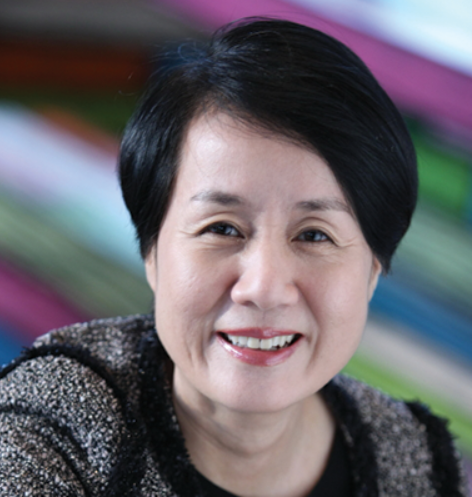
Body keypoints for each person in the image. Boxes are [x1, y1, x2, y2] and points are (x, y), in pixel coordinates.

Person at [0, 17, 467, 497]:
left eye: (314, 235)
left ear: (373, 269)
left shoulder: (417, 462)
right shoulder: (49, 432)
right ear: (152, 251)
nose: (264, 287)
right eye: (222, 228)